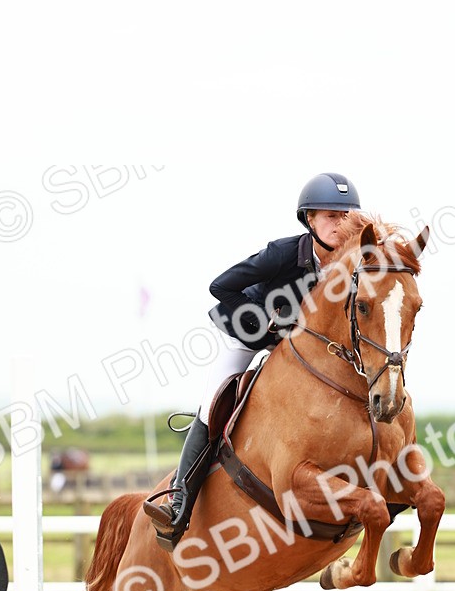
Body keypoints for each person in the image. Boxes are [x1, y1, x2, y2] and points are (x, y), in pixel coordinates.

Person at [143, 172, 362, 542]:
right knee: (212, 405)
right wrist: (263, 323)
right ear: (309, 219)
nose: (339, 225)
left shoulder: (354, 265)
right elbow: (221, 286)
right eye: (329, 216)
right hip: (250, 337)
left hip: (306, 348)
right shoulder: (282, 253)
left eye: (345, 217)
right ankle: (178, 501)